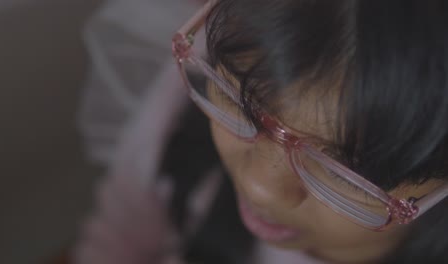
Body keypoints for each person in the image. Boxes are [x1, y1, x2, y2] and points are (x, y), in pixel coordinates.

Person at [74, 0, 448, 263]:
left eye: (342, 173)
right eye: (240, 105)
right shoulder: (195, 86)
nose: (259, 187)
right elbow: (119, 232)